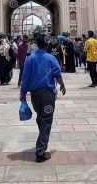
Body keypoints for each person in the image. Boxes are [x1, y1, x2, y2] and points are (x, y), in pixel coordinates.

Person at [20, 34, 66, 163]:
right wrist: (62, 85)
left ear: (35, 44)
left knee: (41, 118)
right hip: (47, 95)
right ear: (47, 45)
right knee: (46, 121)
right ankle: (40, 152)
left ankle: (42, 140)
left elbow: (25, 78)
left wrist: (23, 93)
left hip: (34, 95)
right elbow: (57, 74)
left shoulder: (30, 59)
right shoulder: (50, 58)